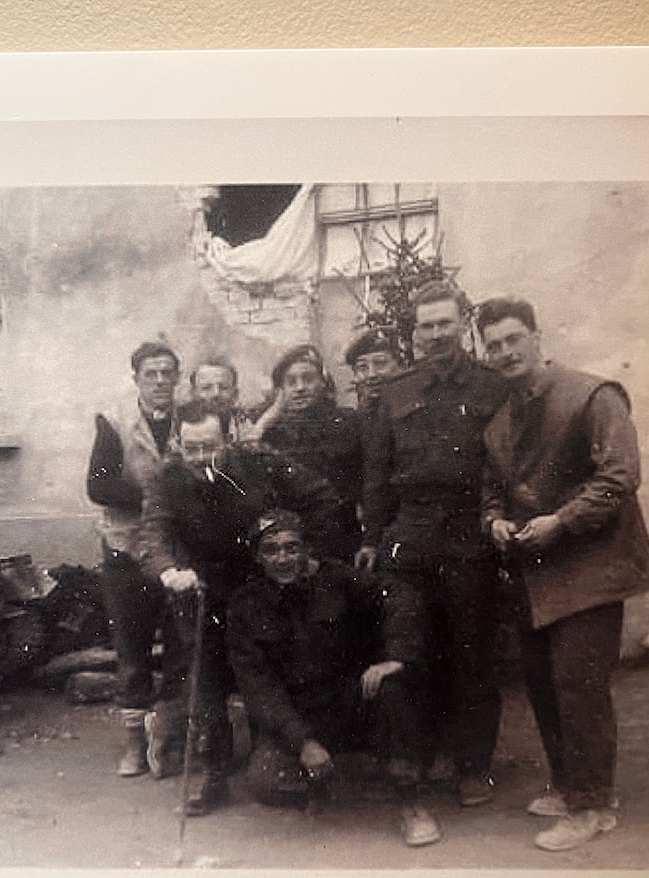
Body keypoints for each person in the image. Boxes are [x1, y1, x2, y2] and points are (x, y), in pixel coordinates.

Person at [477, 296, 649, 852]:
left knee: (579, 687)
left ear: (536, 335)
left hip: (594, 566)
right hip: (536, 571)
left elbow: (620, 476)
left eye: (514, 339)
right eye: (494, 346)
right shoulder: (501, 421)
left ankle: (592, 806)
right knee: (542, 683)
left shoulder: (594, 395)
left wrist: (561, 521)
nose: (506, 352)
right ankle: (569, 783)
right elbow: (491, 490)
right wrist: (495, 522)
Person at [139, 401, 345, 815]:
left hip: (262, 588)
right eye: (191, 448)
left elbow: (322, 496)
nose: (201, 458)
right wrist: (169, 572)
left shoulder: (259, 461)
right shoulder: (165, 478)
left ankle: (276, 757)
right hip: (200, 590)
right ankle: (213, 773)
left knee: (267, 673)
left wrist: (310, 554)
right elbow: (152, 537)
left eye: (210, 447)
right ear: (178, 443)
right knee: (208, 685)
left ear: (228, 438)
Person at [358, 279, 510, 807]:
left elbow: (505, 465)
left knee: (471, 652)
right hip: (411, 534)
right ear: (415, 332)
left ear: (462, 323)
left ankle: (472, 767)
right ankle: (419, 756)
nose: (437, 334)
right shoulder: (396, 390)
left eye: (446, 323)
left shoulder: (492, 387)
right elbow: (376, 474)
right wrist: (373, 538)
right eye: (427, 326)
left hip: (469, 529)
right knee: (410, 646)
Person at [226, 511, 442, 846]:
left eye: (291, 548)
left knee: (391, 687)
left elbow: (400, 595)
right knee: (264, 780)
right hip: (296, 715)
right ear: (257, 557)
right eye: (271, 550)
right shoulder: (245, 607)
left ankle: (409, 799)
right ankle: (337, 777)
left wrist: (396, 657)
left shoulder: (337, 578)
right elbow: (260, 689)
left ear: (306, 550)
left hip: (349, 702)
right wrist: (304, 742)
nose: (282, 559)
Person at [85, 340, 182, 777]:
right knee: (132, 648)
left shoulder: (193, 419)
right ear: (136, 379)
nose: (160, 381)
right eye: (151, 374)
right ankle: (133, 743)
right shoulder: (114, 423)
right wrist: (157, 498)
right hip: (126, 547)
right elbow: (100, 487)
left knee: (181, 643)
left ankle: (170, 736)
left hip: (176, 549)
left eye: (167, 373)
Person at [255, 345, 364, 559]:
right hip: (291, 538)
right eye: (291, 382)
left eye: (308, 379)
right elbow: (247, 454)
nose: (300, 388)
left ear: (323, 383)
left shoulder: (347, 422)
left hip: (340, 532)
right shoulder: (272, 432)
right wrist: (267, 419)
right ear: (280, 391)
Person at [189, 356, 255, 440]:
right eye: (206, 387)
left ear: (235, 394)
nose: (216, 394)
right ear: (193, 394)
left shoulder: (249, 431)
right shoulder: (177, 430)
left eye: (224, 388)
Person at [344, 329, 406, 415]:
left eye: (380, 363)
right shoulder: (355, 420)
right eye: (363, 366)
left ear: (402, 365)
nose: (371, 374)